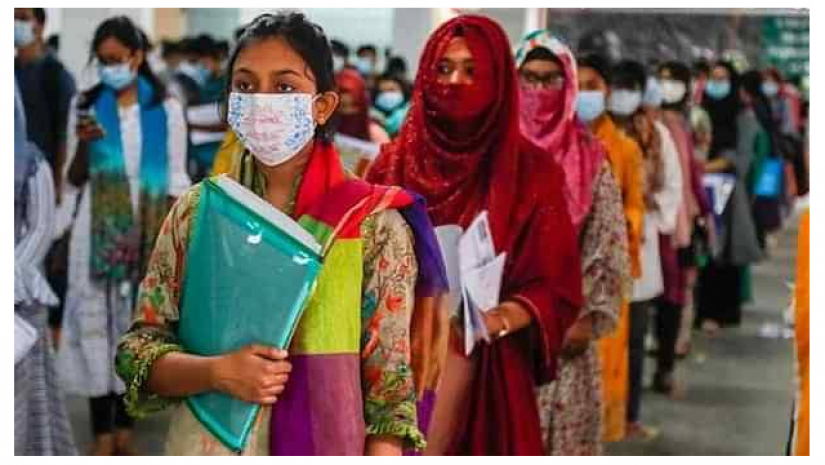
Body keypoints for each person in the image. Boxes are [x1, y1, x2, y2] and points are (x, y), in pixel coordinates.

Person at [115, 12, 448, 456]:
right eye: (245, 85)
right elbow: (137, 350)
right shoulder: (198, 212)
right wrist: (214, 372)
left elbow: (390, 395)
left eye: (285, 87)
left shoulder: (372, 226)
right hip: (206, 444)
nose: (261, 101)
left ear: (322, 106)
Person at [367, 15, 583, 455]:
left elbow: (554, 283)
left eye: (472, 71)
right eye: (443, 69)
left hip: (478, 358)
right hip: (388, 356)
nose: (455, 83)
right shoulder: (391, 164)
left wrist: (501, 318)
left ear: (499, 81)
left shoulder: (531, 172)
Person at [57, 16, 191, 456]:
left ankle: (126, 428)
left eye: (117, 58)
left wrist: (171, 246)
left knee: (137, 326)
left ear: (137, 56)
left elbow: (176, 180)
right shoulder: (85, 103)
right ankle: (102, 432)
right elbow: (73, 178)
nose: (110, 67)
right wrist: (84, 145)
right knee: (95, 326)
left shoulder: (165, 108)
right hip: (97, 226)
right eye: (103, 60)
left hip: (149, 225)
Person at [516, 31, 630, 456]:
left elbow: (607, 241)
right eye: (529, 78)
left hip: (566, 333)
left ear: (569, 85)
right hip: (502, 334)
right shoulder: (496, 152)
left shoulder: (589, 156)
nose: (540, 89)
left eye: (551, 79)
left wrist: (584, 318)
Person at [609, 60, 683, 439]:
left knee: (635, 338)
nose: (622, 95)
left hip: (641, 241)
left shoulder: (656, 135)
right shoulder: (592, 131)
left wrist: (645, 210)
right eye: (616, 86)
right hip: (596, 251)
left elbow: (672, 186)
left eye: (629, 87)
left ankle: (630, 413)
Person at [576, 53, 645, 444]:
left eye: (592, 86)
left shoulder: (625, 148)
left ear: (607, 91)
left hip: (606, 270)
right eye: (578, 85)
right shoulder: (555, 143)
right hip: (563, 268)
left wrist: (612, 227)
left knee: (606, 356)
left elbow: (636, 205)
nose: (584, 94)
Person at [15, 79, 78, 457]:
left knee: (22, 413)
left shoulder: (29, 161)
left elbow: (41, 228)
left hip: (18, 300)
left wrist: (12, 273)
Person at [15, 7, 78, 346]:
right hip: (13, 188)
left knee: (37, 272)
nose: (14, 24)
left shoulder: (55, 75)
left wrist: (57, 190)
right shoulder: (12, 70)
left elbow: (65, 135)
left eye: (22, 17)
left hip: (41, 188)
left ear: (39, 25)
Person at [696, 61, 763, 333]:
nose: (717, 84)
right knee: (703, 252)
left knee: (723, 254)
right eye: (713, 78)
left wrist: (707, 166)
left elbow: (742, 160)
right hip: (699, 190)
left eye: (723, 78)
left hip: (728, 194)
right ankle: (701, 311)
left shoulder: (743, 117)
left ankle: (722, 312)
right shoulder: (699, 111)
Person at [658, 61, 714, 359]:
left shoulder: (687, 123)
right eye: (662, 79)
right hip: (657, 220)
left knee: (677, 286)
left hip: (681, 220)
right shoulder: (649, 122)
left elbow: (692, 172)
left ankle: (672, 349)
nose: (667, 86)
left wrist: (703, 209)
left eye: (673, 80)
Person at [186, 34, 229, 183]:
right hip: (200, 145)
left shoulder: (227, 83)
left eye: (205, 62)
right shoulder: (207, 81)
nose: (203, 66)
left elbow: (227, 123)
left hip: (218, 145)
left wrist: (195, 126)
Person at [335, 68, 390, 144]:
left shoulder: (376, 135)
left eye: (353, 106)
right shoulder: (323, 132)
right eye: (341, 107)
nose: (347, 112)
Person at [372, 72, 411, 137]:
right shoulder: (372, 115)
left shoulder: (410, 115)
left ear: (403, 90)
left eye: (391, 90)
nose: (387, 95)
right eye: (382, 91)